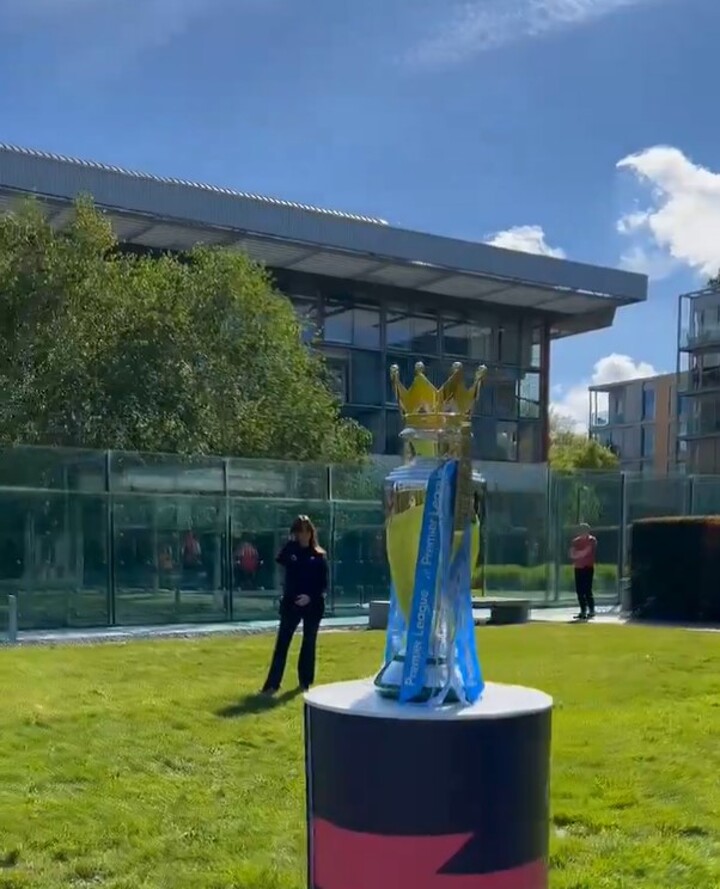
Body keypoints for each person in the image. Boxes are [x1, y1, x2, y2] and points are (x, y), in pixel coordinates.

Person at [261, 515, 328, 695]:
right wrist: (290, 541)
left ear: (311, 533)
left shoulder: (319, 556)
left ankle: (305, 681)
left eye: (307, 531)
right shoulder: (291, 551)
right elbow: (280, 558)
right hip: (291, 603)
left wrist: (309, 597)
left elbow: (323, 584)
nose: (304, 535)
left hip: (313, 604)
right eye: (300, 531)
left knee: (309, 642)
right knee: (282, 643)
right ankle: (272, 684)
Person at [570, 523, 597, 621]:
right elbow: (572, 554)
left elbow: (586, 551)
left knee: (587, 589)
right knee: (579, 590)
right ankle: (583, 610)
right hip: (578, 567)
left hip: (588, 567)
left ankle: (591, 610)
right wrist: (578, 555)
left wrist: (578, 554)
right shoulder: (575, 541)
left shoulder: (592, 540)